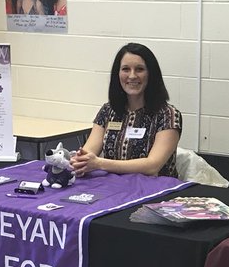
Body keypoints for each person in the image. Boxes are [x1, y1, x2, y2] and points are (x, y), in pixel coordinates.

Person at [71, 42, 182, 177]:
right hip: (114, 188)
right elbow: (89, 152)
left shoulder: (168, 115)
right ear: (117, 74)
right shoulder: (108, 111)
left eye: (139, 69)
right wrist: (80, 160)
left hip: (155, 191)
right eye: (125, 69)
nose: (132, 76)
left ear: (151, 74)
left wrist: (99, 163)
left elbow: (152, 166)